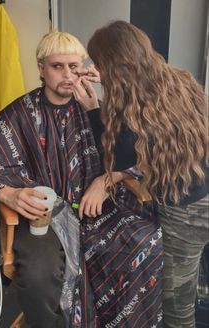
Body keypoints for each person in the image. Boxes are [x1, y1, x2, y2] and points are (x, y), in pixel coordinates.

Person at [0, 30, 163, 327]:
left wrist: (105, 181)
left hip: (94, 209)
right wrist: (9, 194)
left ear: (85, 69)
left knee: (144, 238)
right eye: (56, 66)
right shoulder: (18, 115)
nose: (66, 74)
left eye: (73, 67)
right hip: (42, 217)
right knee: (38, 273)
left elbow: (135, 159)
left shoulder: (96, 110)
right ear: (40, 68)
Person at [82, 20, 209, 328]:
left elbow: (120, 158)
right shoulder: (178, 79)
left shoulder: (130, 112)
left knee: (176, 306)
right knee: (196, 278)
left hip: (188, 214)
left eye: (98, 64)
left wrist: (91, 108)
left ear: (110, 67)